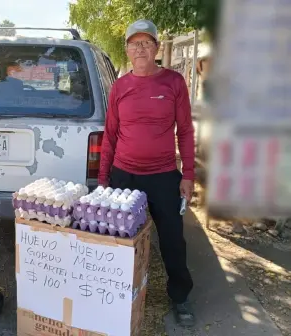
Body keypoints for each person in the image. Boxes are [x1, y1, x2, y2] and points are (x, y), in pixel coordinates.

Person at [98, 19, 195, 327]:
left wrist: (188, 174)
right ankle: (115, 293)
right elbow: (110, 134)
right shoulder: (120, 86)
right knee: (118, 238)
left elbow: (186, 132)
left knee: (172, 240)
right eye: (134, 43)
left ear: (156, 47)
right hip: (124, 176)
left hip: (164, 175)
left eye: (146, 42)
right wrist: (103, 179)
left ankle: (180, 296)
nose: (139, 48)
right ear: (127, 50)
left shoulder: (173, 82)